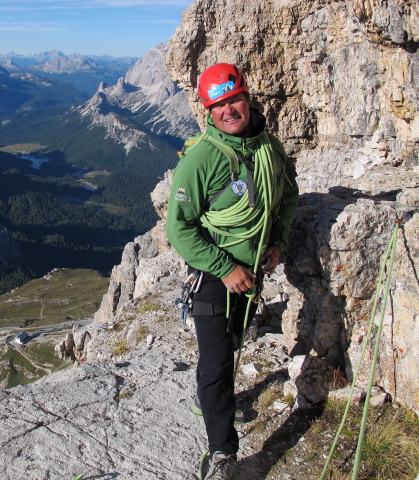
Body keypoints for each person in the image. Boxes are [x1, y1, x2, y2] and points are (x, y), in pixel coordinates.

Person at [166, 63, 298, 479]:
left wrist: (279, 241)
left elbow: (287, 195)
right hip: (213, 275)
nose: (229, 110)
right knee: (216, 360)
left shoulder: (268, 148)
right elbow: (179, 228)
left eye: (234, 99)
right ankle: (222, 452)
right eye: (218, 104)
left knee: (237, 336)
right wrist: (225, 269)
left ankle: (221, 400)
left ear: (247, 96)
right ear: (208, 110)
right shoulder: (201, 159)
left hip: (252, 271)